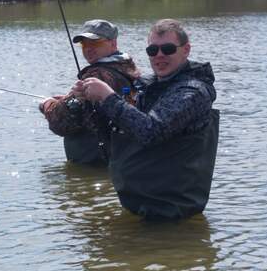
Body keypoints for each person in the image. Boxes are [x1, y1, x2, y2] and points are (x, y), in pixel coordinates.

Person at [72, 19, 219, 220]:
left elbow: (151, 131)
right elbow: (122, 129)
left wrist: (107, 96)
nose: (159, 56)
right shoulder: (149, 86)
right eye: (152, 50)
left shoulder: (193, 91)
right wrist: (90, 100)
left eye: (167, 49)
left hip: (170, 210)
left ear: (186, 50)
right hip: (142, 202)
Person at [39, 19, 140, 166]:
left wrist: (48, 105)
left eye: (95, 43)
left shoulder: (96, 76)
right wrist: (69, 99)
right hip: (122, 158)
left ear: (113, 43)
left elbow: (61, 124)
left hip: (95, 162)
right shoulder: (127, 68)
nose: (88, 48)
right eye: (84, 44)